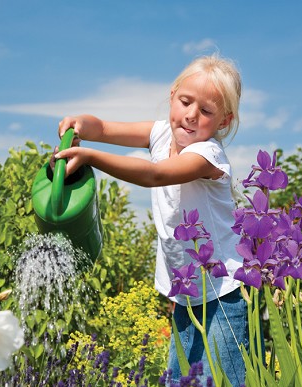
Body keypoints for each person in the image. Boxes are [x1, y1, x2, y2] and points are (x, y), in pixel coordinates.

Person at [54, 54, 248, 386]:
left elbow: (155, 174)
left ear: (224, 122)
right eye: (186, 102)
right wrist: (80, 125)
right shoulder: (158, 134)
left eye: (206, 111)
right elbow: (103, 128)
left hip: (223, 293)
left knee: (223, 381)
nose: (191, 115)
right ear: (172, 96)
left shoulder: (207, 155)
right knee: (179, 380)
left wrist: (90, 156)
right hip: (186, 291)